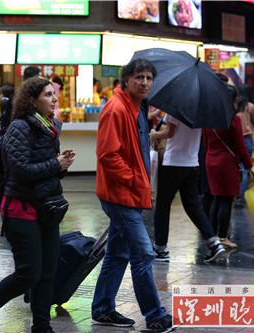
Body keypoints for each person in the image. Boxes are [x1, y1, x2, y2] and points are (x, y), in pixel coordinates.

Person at [0, 77, 75, 333]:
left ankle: (42, 326)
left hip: (47, 208)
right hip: (21, 209)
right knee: (29, 273)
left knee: (48, 272)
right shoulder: (19, 127)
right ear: (32, 100)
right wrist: (56, 165)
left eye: (54, 94)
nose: (54, 99)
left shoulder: (50, 126)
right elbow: (19, 170)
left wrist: (60, 166)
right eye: (48, 95)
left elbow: (46, 170)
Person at [92, 59, 172, 331]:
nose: (144, 82)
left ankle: (102, 308)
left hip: (131, 193)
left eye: (149, 78)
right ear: (126, 80)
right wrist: (135, 178)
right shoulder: (116, 109)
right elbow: (107, 155)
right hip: (119, 194)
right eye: (139, 77)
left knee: (118, 253)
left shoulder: (137, 108)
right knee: (144, 253)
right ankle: (155, 315)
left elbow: (131, 147)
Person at [150, 113, 226, 263]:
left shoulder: (176, 108)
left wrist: (154, 134)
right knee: (193, 206)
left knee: (162, 205)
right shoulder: (200, 111)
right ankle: (214, 243)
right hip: (191, 163)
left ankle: (161, 249)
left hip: (173, 163)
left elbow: (169, 132)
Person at [203, 85, 254, 249]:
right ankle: (222, 237)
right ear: (234, 100)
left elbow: (205, 142)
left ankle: (213, 236)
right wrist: (251, 167)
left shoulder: (209, 117)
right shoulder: (232, 119)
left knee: (216, 197)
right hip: (226, 163)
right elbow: (240, 147)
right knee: (226, 200)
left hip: (211, 160)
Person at [234, 91, 254, 208]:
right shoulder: (250, 106)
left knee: (236, 167)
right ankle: (240, 198)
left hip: (235, 138)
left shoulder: (235, 105)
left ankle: (234, 194)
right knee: (245, 169)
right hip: (247, 138)